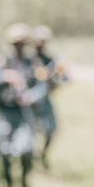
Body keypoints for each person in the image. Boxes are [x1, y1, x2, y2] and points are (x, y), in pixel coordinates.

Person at [0, 22, 48, 187]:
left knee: (27, 149)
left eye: (23, 43)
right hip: (5, 114)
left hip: (25, 114)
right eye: (16, 43)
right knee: (4, 151)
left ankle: (24, 180)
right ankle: (8, 184)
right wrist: (4, 77)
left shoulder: (34, 64)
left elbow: (42, 87)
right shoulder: (0, 63)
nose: (20, 47)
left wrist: (31, 96)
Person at [29, 25, 69, 169]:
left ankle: (43, 154)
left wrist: (56, 78)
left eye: (42, 42)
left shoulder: (51, 61)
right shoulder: (29, 60)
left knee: (51, 130)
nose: (39, 45)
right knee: (30, 133)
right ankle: (30, 159)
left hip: (45, 102)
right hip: (30, 103)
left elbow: (65, 78)